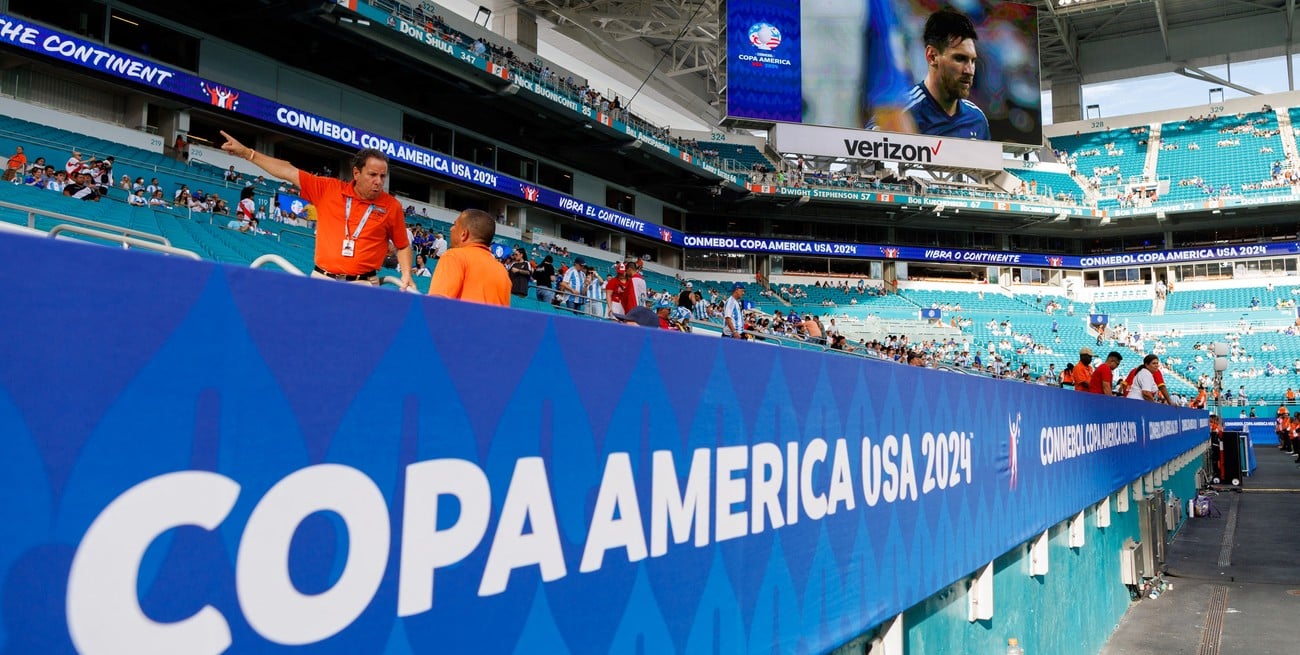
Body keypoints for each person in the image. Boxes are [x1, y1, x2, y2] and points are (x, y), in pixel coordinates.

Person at [220, 130, 414, 289]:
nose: (378, 182)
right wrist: (247, 153)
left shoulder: (391, 206)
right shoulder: (328, 189)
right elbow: (288, 171)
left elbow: (402, 245)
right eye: (373, 175)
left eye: (382, 176)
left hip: (364, 284)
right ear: (356, 172)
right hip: (323, 279)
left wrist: (406, 273)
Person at [899, 8, 989, 140]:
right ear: (932, 56)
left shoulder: (977, 120)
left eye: (973, 61)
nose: (969, 71)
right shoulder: (902, 113)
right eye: (960, 59)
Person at [426, 208, 510, 306]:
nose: (451, 229)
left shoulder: (453, 256)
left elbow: (436, 304)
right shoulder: (502, 271)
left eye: (455, 225)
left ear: (464, 234)